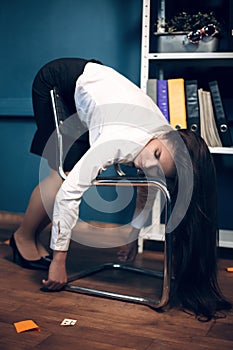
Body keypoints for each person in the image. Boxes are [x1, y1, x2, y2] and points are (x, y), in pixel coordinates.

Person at [11, 58, 231, 320]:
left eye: (160, 168)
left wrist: (132, 235)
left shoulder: (164, 139)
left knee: (80, 168)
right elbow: (70, 193)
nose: (150, 165)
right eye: (157, 154)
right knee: (63, 175)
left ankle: (32, 238)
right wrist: (60, 262)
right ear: (159, 139)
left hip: (97, 89)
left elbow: (149, 184)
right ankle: (22, 237)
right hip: (59, 80)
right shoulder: (119, 139)